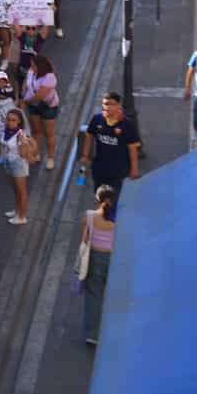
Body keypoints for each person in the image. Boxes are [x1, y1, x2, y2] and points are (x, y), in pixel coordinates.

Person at [81, 92, 141, 195]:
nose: (107, 107)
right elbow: (89, 136)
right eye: (105, 104)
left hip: (119, 168)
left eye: (111, 104)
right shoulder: (97, 119)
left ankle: (108, 210)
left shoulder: (127, 124)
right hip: (99, 167)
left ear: (118, 106)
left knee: (113, 196)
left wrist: (134, 169)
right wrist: (85, 155)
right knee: (99, 194)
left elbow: (132, 148)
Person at [81, 185, 117, 346]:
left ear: (97, 199)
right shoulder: (118, 220)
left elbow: (84, 240)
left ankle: (92, 334)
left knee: (94, 295)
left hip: (94, 258)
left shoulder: (89, 216)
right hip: (112, 259)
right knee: (111, 294)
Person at [23, 54, 60, 170]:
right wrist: (23, 92)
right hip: (33, 105)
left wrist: (25, 101)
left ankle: (50, 158)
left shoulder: (49, 77)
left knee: (49, 133)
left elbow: (40, 95)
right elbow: (26, 83)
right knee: (36, 131)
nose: (31, 67)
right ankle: (36, 153)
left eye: (33, 65)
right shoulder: (31, 71)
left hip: (47, 106)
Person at [0, 109, 34, 225]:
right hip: (8, 161)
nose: (10, 122)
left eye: (13, 120)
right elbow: (3, 146)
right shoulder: (5, 131)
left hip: (18, 163)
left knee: (21, 191)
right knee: (15, 190)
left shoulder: (20, 134)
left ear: (19, 122)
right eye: (8, 120)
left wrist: (24, 143)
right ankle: (17, 210)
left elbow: (23, 154)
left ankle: (22, 216)